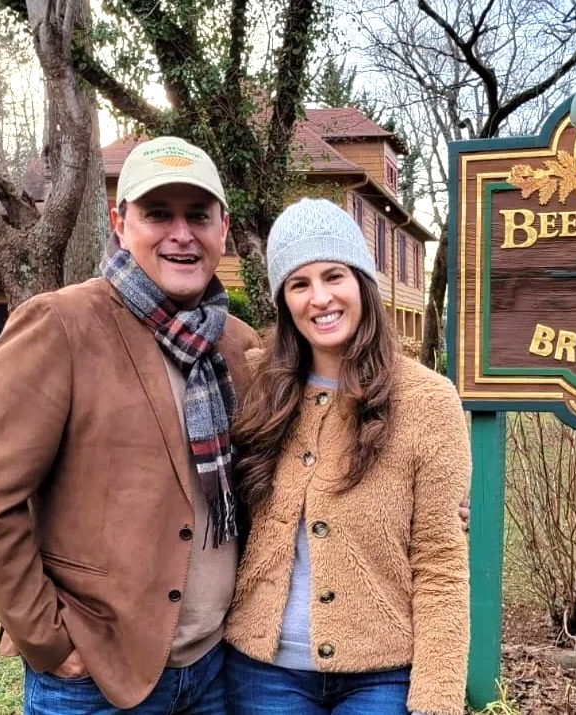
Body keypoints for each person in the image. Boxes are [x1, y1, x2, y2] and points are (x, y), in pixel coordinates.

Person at [0, 136, 259, 714]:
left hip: (216, 671)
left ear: (223, 228)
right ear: (120, 223)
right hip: (96, 679)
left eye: (198, 215)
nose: (182, 234)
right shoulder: (59, 326)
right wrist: (49, 640)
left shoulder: (238, 346)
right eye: (158, 214)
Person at [223, 198, 471, 715]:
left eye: (333, 276)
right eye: (299, 284)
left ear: (362, 282)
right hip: (263, 672)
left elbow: (440, 561)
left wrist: (438, 697)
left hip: (381, 675)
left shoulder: (428, 400)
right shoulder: (255, 385)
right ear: (283, 300)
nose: (320, 298)